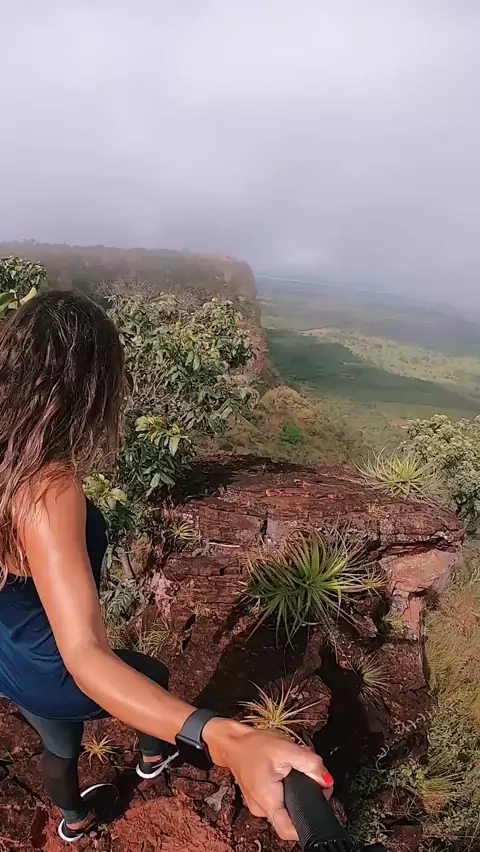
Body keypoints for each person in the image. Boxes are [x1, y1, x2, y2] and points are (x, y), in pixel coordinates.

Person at [0, 290, 333, 844]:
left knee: (57, 743)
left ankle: (74, 821)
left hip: (10, 664)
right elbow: (83, 654)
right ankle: (153, 758)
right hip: (55, 668)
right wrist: (225, 738)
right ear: (91, 387)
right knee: (151, 675)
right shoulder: (46, 490)